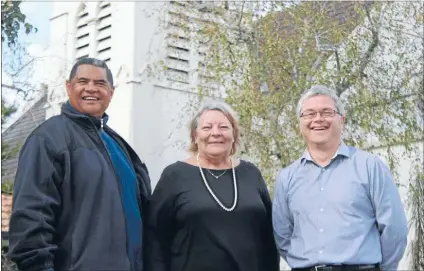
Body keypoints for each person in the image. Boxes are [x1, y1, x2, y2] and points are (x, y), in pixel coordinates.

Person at [9, 57, 151, 271]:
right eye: (83, 81)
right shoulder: (49, 139)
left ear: (111, 93)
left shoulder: (121, 148)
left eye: (100, 84)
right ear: (69, 87)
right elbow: (31, 219)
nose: (91, 89)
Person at [272, 85, 408, 271]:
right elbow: (282, 236)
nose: (318, 119)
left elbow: (394, 229)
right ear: (300, 124)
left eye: (327, 112)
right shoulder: (287, 177)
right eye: (309, 114)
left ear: (341, 120)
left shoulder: (369, 166)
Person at [145, 100, 280, 271]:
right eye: (207, 128)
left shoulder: (251, 173)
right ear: (195, 136)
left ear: (234, 135)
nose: (215, 133)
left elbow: (268, 237)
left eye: (223, 127)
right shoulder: (174, 176)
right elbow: (154, 238)